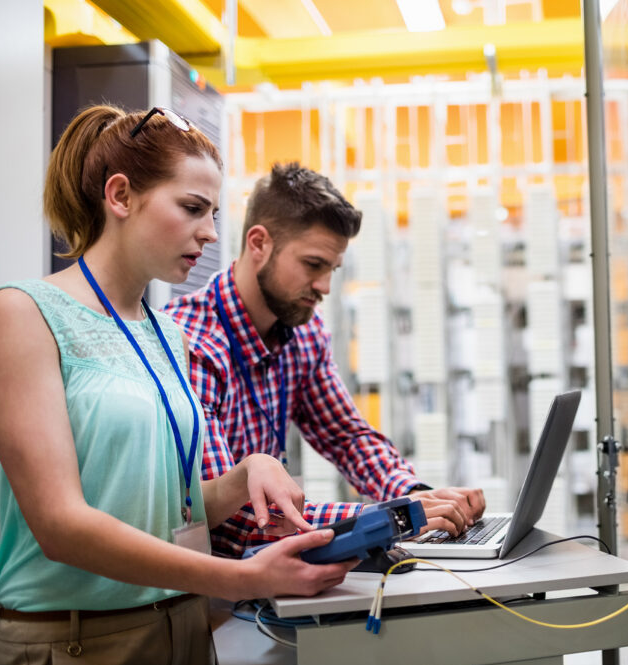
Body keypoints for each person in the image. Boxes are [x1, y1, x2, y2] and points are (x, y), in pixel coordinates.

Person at [0, 105, 356, 665]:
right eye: (192, 208)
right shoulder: (22, 314)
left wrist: (247, 471)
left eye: (213, 213)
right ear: (121, 196)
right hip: (76, 646)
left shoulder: (166, 333)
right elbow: (62, 526)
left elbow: (159, 508)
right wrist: (246, 577)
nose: (209, 232)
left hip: (183, 631)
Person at [164, 161, 486, 558]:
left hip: (272, 578)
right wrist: (393, 520)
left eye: (332, 269)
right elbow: (231, 518)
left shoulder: (302, 331)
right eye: (313, 265)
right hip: (215, 586)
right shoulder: (191, 344)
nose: (325, 287)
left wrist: (415, 494)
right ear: (259, 243)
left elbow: (346, 436)